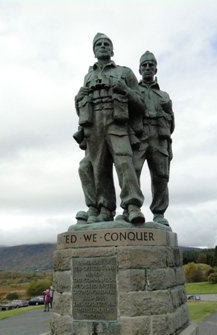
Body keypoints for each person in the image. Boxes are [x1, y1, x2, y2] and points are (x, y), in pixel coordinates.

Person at [74, 33, 145, 224]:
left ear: (112, 50)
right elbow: (82, 106)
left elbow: (141, 104)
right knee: (98, 168)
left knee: (124, 162)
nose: (103, 46)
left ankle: (132, 206)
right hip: (94, 125)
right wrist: (78, 99)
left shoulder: (125, 72)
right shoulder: (89, 76)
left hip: (117, 123)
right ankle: (105, 209)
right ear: (94, 50)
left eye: (106, 44)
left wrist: (126, 89)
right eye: (99, 44)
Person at [132, 51, 175, 227]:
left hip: (159, 136)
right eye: (144, 65)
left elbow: (172, 122)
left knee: (161, 176)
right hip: (140, 135)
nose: (148, 68)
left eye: (151, 65)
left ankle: (159, 213)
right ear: (139, 69)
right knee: (132, 170)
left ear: (156, 69)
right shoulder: (134, 90)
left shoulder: (164, 95)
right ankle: (132, 208)